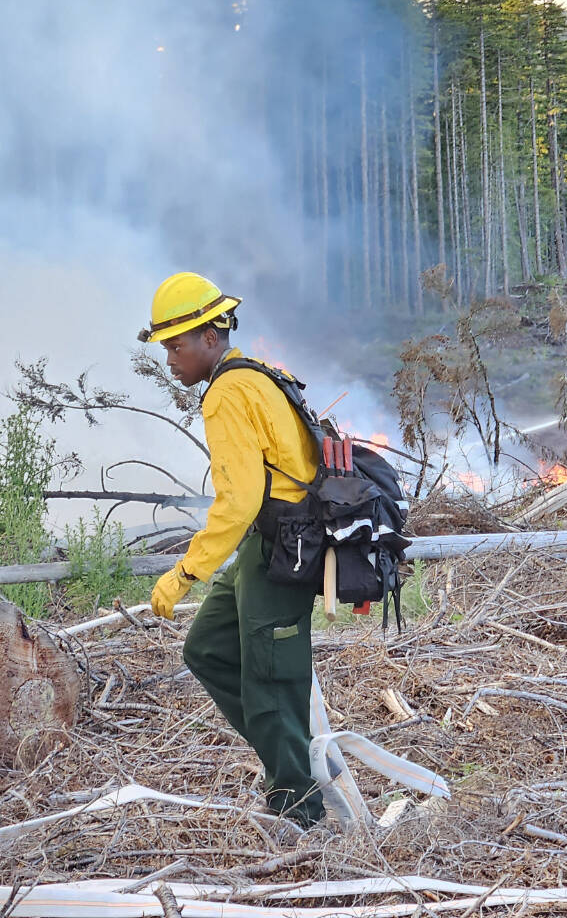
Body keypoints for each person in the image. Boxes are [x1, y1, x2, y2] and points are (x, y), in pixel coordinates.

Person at [140, 271, 325, 828]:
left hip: (283, 551)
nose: (170, 359)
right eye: (166, 347)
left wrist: (184, 573)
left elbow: (239, 499)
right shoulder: (251, 376)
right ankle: (289, 755)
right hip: (265, 544)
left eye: (177, 345)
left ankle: (298, 809)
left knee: (270, 680)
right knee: (208, 649)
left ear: (211, 339)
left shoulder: (227, 392)